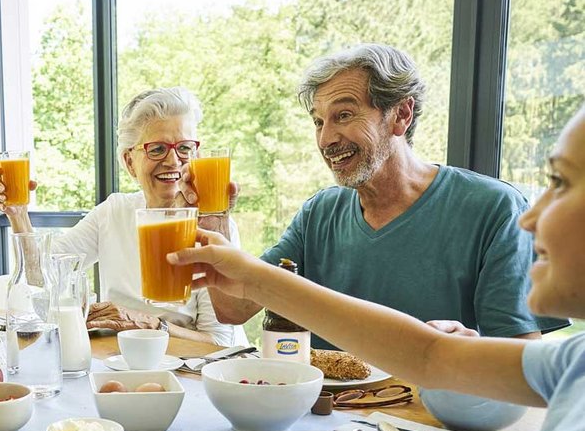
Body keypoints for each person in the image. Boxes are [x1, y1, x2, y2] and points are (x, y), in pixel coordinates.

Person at [167, 103, 585, 431]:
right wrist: (254, 279)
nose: (530, 216)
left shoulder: (491, 210)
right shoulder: (574, 363)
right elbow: (430, 357)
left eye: (561, 183)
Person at [198, 43, 565, 347]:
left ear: (401, 115)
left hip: (426, 423)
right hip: (322, 422)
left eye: (344, 114)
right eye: (318, 121)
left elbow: (522, 361)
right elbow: (233, 309)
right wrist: (210, 211)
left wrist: (468, 349)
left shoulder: (494, 209)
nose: (326, 139)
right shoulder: (319, 213)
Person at [0, 87, 245, 345]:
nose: (173, 160)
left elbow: (219, 341)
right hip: (118, 361)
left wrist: (153, 324)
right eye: (157, 149)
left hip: (183, 369)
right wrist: (18, 213)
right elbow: (42, 276)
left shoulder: (214, 227)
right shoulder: (113, 213)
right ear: (129, 162)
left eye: (185, 148)